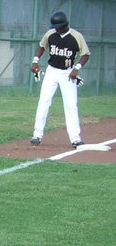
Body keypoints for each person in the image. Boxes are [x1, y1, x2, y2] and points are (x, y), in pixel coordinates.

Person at [30, 11, 90, 147]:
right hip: (52, 71)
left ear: (65, 25)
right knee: (44, 101)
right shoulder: (50, 34)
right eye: (55, 27)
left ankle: (75, 138)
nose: (56, 29)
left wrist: (77, 68)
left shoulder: (76, 36)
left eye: (58, 27)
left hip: (68, 73)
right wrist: (35, 61)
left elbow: (86, 54)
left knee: (71, 105)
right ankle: (37, 135)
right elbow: (41, 46)